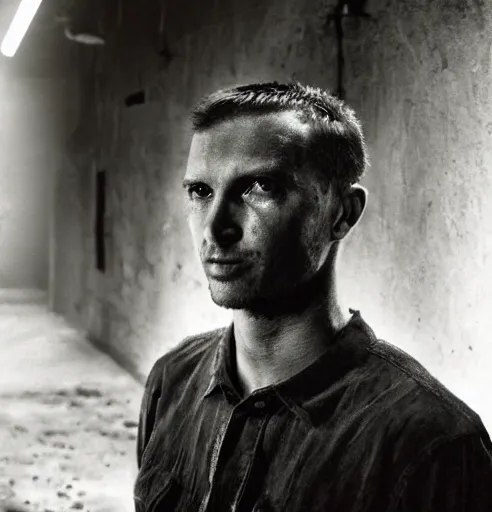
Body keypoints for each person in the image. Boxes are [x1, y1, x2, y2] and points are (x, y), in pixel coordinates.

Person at [134, 82, 492, 511]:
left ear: (342, 214)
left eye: (259, 187)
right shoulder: (171, 382)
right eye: (201, 192)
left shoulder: (431, 445)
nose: (215, 229)